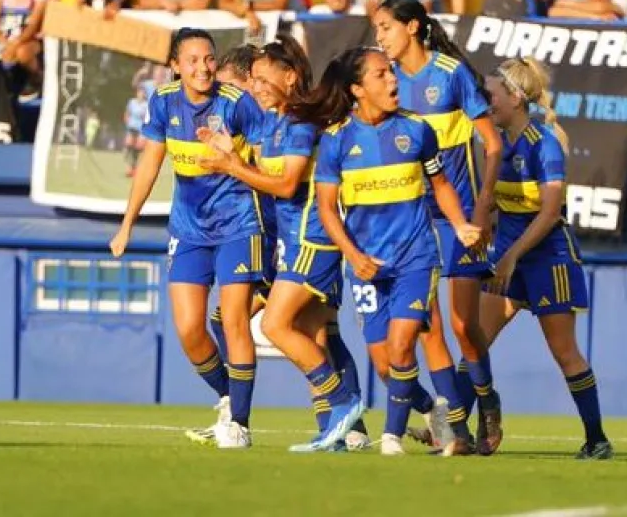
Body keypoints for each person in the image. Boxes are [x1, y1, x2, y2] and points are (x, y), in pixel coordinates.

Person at [302, 47, 481, 455]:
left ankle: (391, 437)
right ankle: (435, 413)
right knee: (385, 364)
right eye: (381, 74)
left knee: (403, 345)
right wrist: (354, 256)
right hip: (367, 265)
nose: (393, 80)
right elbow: (327, 209)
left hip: (416, 257)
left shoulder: (417, 129)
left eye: (392, 72)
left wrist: (459, 224)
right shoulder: (336, 140)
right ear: (357, 89)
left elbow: (440, 186)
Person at [198, 38, 372, 452]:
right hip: (290, 243)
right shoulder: (273, 123)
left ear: (290, 76)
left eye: (263, 79)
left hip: (314, 239)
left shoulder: (299, 124)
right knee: (312, 334)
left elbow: (288, 184)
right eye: (253, 80)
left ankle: (344, 402)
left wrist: (232, 166)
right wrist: (232, 154)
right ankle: (336, 431)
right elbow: (266, 180)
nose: (255, 87)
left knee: (274, 325)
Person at [109, 28, 267, 449]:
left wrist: (234, 159)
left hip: (238, 224)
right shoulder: (163, 101)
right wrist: (127, 223)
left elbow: (269, 167)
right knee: (189, 329)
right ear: (175, 66)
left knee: (233, 321)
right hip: (189, 229)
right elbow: (149, 164)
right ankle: (229, 398)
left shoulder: (237, 103)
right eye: (193, 60)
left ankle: (240, 425)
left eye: (209, 58)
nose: (203, 68)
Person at [373, 0, 505, 455]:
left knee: (464, 325)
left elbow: (492, 144)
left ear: (412, 27)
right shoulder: (387, 83)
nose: (380, 37)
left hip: (460, 216)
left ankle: (488, 400)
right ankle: (457, 432)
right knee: (429, 328)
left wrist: (484, 205)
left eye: (386, 27)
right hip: (415, 223)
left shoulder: (450, 74)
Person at [479, 57, 613, 460]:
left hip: (548, 258)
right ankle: (466, 431)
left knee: (564, 352)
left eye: (491, 94)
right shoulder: (495, 144)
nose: (485, 101)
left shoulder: (544, 144)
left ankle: (597, 440)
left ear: (515, 98)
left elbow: (550, 213)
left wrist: (511, 257)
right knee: (473, 342)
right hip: (509, 257)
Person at [122, 85, 148, 177]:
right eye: (139, 93)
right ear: (137, 93)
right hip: (131, 126)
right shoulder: (132, 102)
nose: (141, 95)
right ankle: (129, 164)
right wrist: (126, 120)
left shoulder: (146, 105)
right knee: (128, 146)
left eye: (143, 93)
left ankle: (132, 169)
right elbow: (127, 113)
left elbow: (147, 117)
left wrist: (144, 118)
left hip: (140, 128)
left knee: (136, 149)